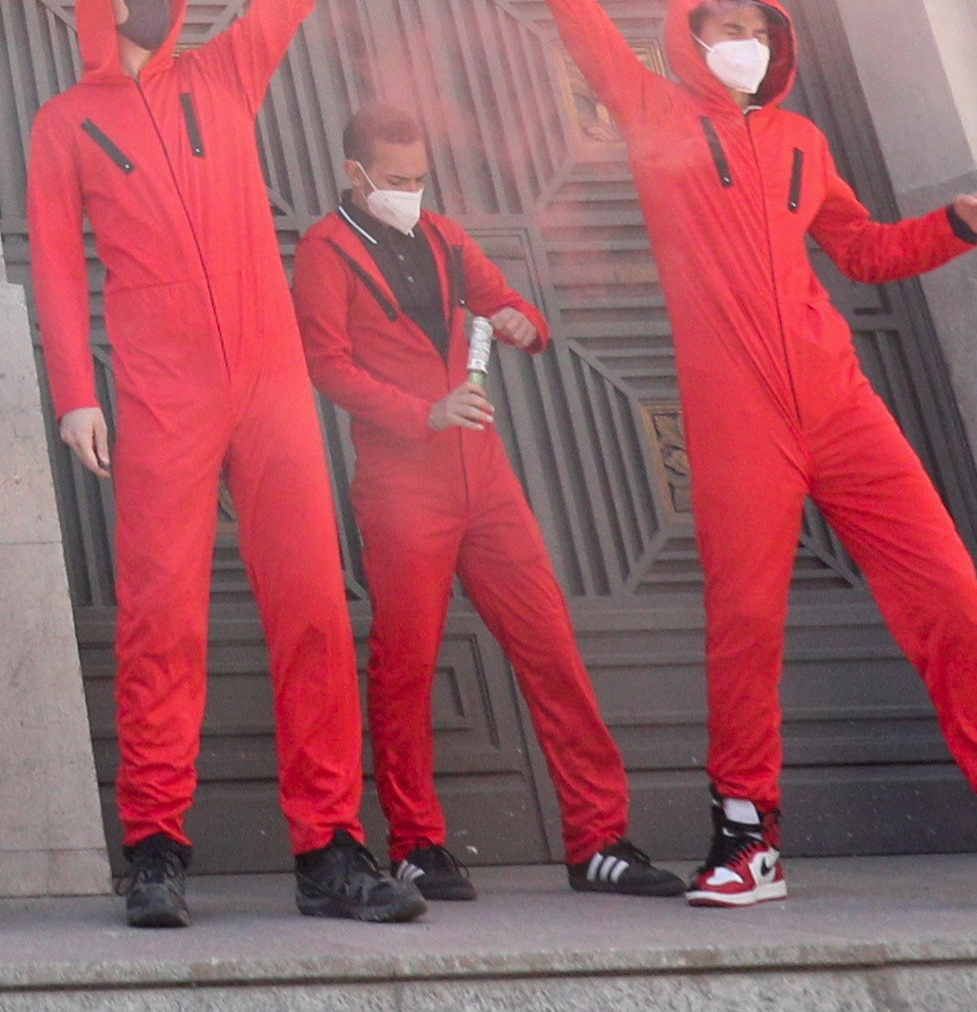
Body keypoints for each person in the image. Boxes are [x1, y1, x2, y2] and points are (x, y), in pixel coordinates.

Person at [469, 0, 977, 915]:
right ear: (687, 40)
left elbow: (869, 252)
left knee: (953, 599)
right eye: (720, 28)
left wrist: (954, 226)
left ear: (777, 44)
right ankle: (748, 837)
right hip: (739, 412)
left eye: (754, 29)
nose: (739, 43)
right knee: (746, 619)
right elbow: (581, 26)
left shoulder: (803, 140)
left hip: (840, 400)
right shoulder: (654, 115)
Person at [29, 0, 427, 928]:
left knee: (310, 603)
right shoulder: (65, 123)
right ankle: (154, 846)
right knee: (163, 616)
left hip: (270, 382)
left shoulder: (226, 70)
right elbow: (58, 267)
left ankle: (332, 846)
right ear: (98, 7)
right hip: (159, 393)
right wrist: (75, 393)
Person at [290, 99, 686, 905]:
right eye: (395, 179)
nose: (411, 189)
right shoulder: (324, 250)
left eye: (419, 176)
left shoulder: (445, 237)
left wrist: (520, 323)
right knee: (404, 666)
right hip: (403, 486)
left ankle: (598, 838)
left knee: (552, 649)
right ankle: (416, 843)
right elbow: (324, 364)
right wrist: (420, 413)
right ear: (353, 173)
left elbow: (522, 311)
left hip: (487, 480)